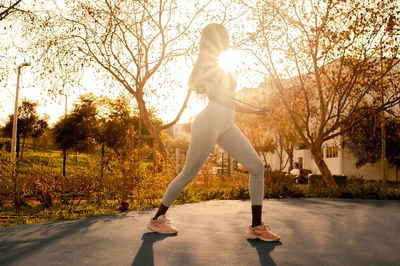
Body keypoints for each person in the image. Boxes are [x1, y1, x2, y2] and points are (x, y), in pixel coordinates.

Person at [147, 23, 280, 242]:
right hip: (208, 122)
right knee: (189, 173)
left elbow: (229, 102)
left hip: (227, 124)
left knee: (256, 166)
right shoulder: (206, 60)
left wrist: (257, 112)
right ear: (215, 39)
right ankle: (157, 219)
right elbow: (195, 84)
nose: (228, 39)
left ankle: (256, 226)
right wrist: (201, 85)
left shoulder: (223, 64)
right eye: (224, 36)